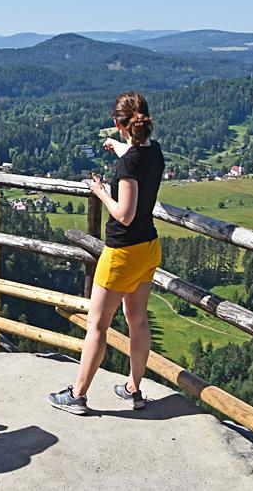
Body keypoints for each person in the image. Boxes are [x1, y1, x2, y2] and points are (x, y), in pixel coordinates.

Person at [49, 91, 165, 414]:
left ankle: (77, 395)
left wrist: (100, 192)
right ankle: (133, 388)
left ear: (118, 123)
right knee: (137, 320)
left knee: (97, 325)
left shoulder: (128, 164)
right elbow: (138, 160)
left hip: (122, 254)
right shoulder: (153, 152)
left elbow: (124, 213)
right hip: (148, 247)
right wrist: (120, 147)